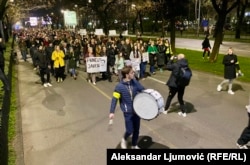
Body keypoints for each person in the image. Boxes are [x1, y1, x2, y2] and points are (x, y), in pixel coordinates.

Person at [109, 65, 145, 149]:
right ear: (127, 75)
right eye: (132, 72)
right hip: (127, 111)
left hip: (137, 110)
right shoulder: (119, 87)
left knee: (136, 130)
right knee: (129, 130)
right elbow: (114, 99)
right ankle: (124, 138)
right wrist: (111, 112)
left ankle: (134, 145)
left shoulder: (134, 82)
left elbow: (143, 90)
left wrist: (136, 82)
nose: (134, 73)